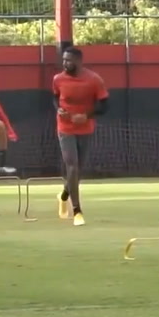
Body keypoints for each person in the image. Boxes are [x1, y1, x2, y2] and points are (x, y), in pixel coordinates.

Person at [52, 47, 109, 225]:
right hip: (65, 128)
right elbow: (55, 98)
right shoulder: (58, 79)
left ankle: (63, 195)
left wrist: (86, 116)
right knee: (72, 167)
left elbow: (104, 106)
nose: (65, 63)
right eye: (63, 60)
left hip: (85, 128)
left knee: (78, 171)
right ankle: (77, 211)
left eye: (68, 60)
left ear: (78, 61)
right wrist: (58, 109)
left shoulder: (94, 80)